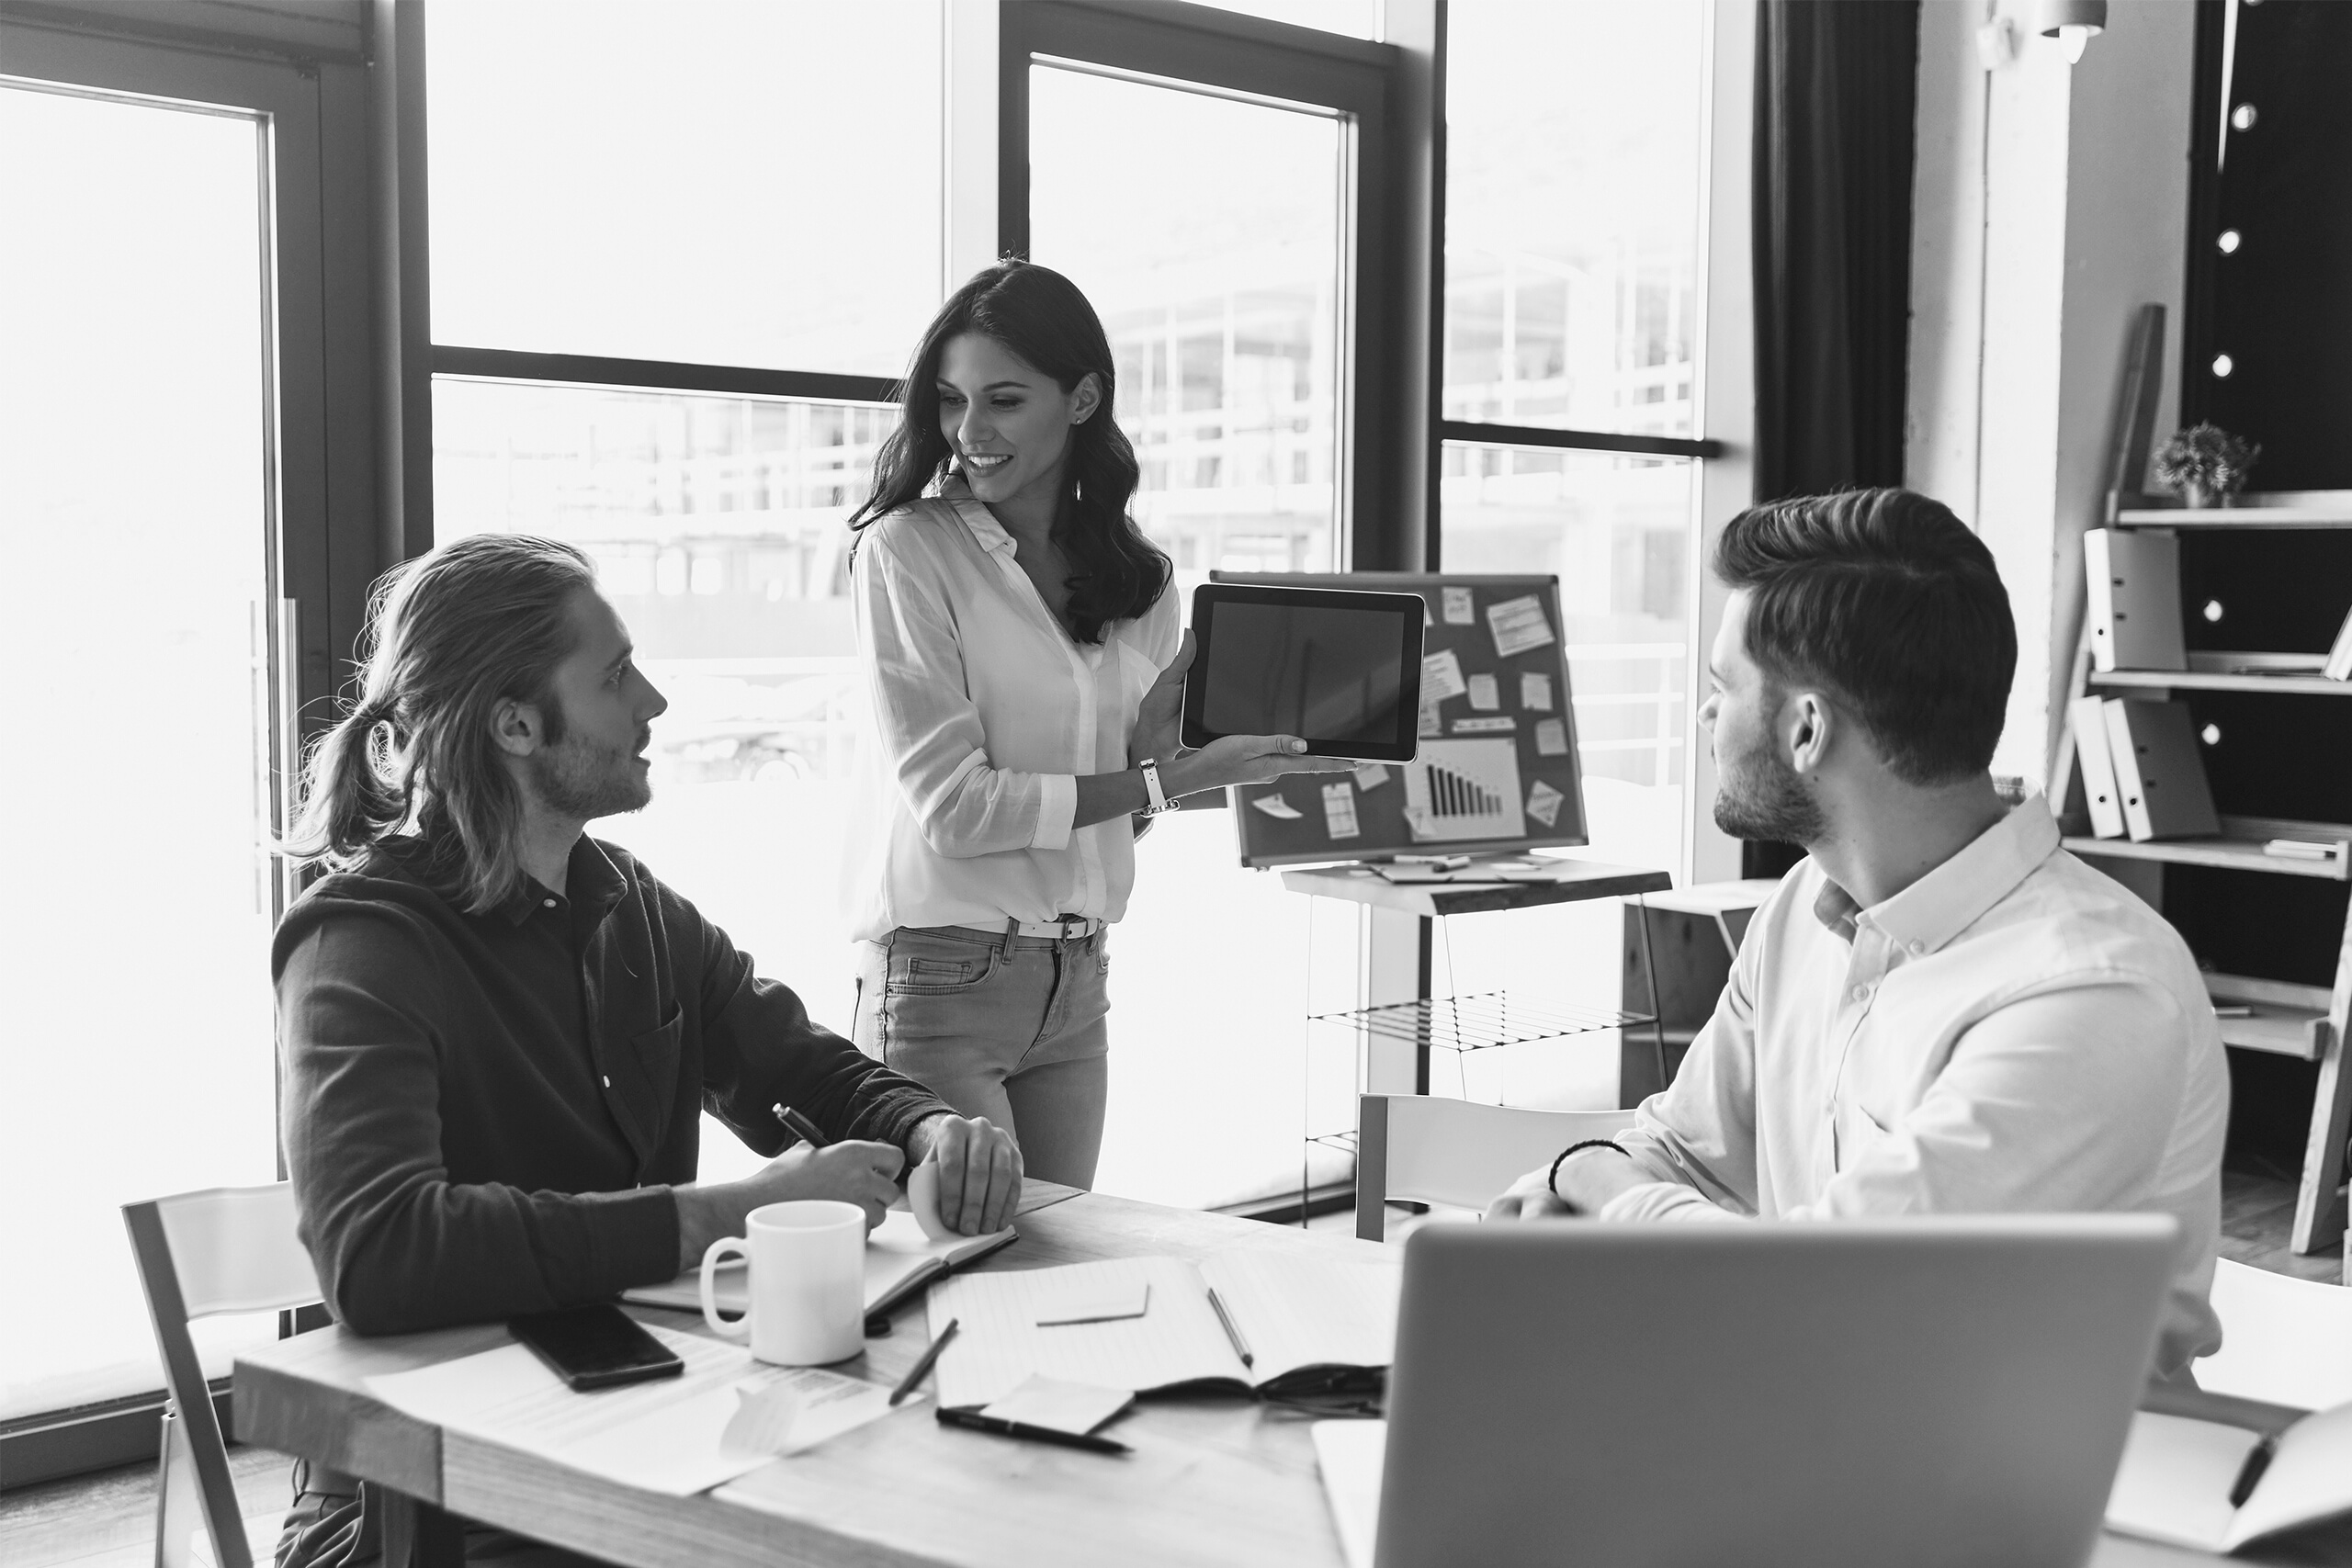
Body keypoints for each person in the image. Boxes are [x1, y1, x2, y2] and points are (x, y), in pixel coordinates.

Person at [273, 533, 1019, 1568]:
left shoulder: (629, 903)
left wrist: (932, 1128)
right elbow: (383, 1254)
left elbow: (798, 1067)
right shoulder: (362, 943)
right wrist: (730, 1214)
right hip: (423, 1502)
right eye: (616, 674)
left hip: (633, 1419)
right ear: (517, 724)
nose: (654, 701)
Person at [1486, 488, 2229, 1378]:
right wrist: (1579, 1184)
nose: (1704, 718)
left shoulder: (2096, 992)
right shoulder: (1804, 904)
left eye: (1722, 689)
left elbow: (1824, 1293)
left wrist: (1592, 1179)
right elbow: (1686, 1149)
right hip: (1828, 1426)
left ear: (1806, 729)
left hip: (2066, 1488)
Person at [842, 259, 1350, 1189]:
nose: (969, 432)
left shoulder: (1136, 579)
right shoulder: (907, 552)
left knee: (1059, 1273)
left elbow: (1115, 815)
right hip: (941, 977)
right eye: (951, 402)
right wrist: (1165, 780)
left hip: (1077, 979)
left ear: (1081, 401)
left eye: (1003, 400)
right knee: (969, 1272)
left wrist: (1156, 767)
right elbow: (954, 812)